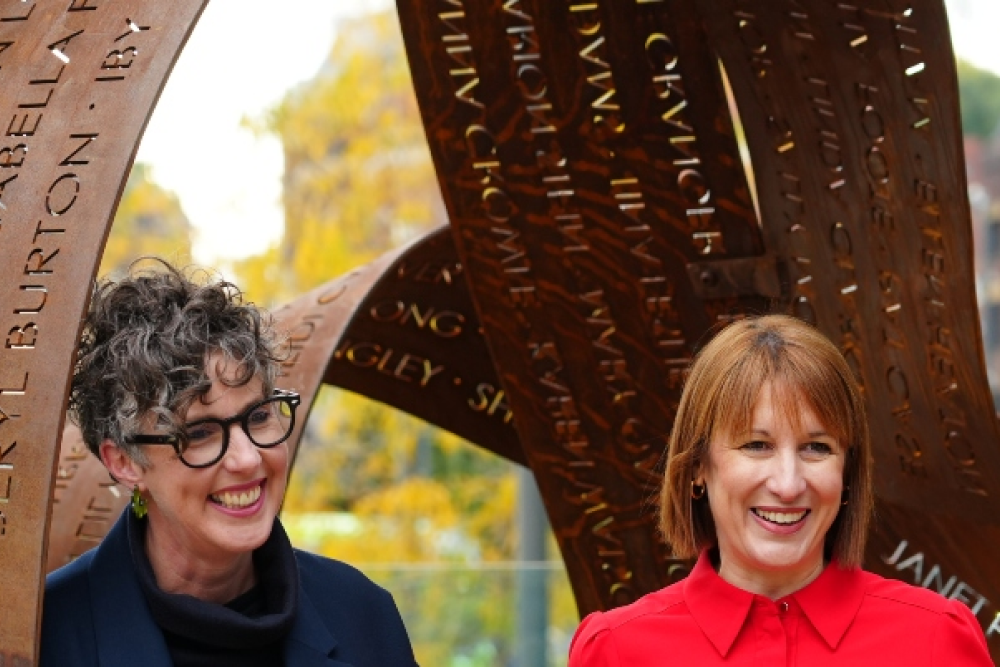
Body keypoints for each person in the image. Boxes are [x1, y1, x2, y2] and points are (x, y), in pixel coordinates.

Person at [42, 259, 419, 667]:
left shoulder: (363, 614)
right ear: (125, 463)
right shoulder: (43, 637)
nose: (247, 458)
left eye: (258, 417)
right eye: (200, 433)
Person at [568, 314, 992, 666]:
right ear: (698, 465)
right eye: (757, 445)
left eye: (816, 447)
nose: (788, 484)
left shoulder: (936, 640)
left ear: (847, 473)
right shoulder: (615, 650)